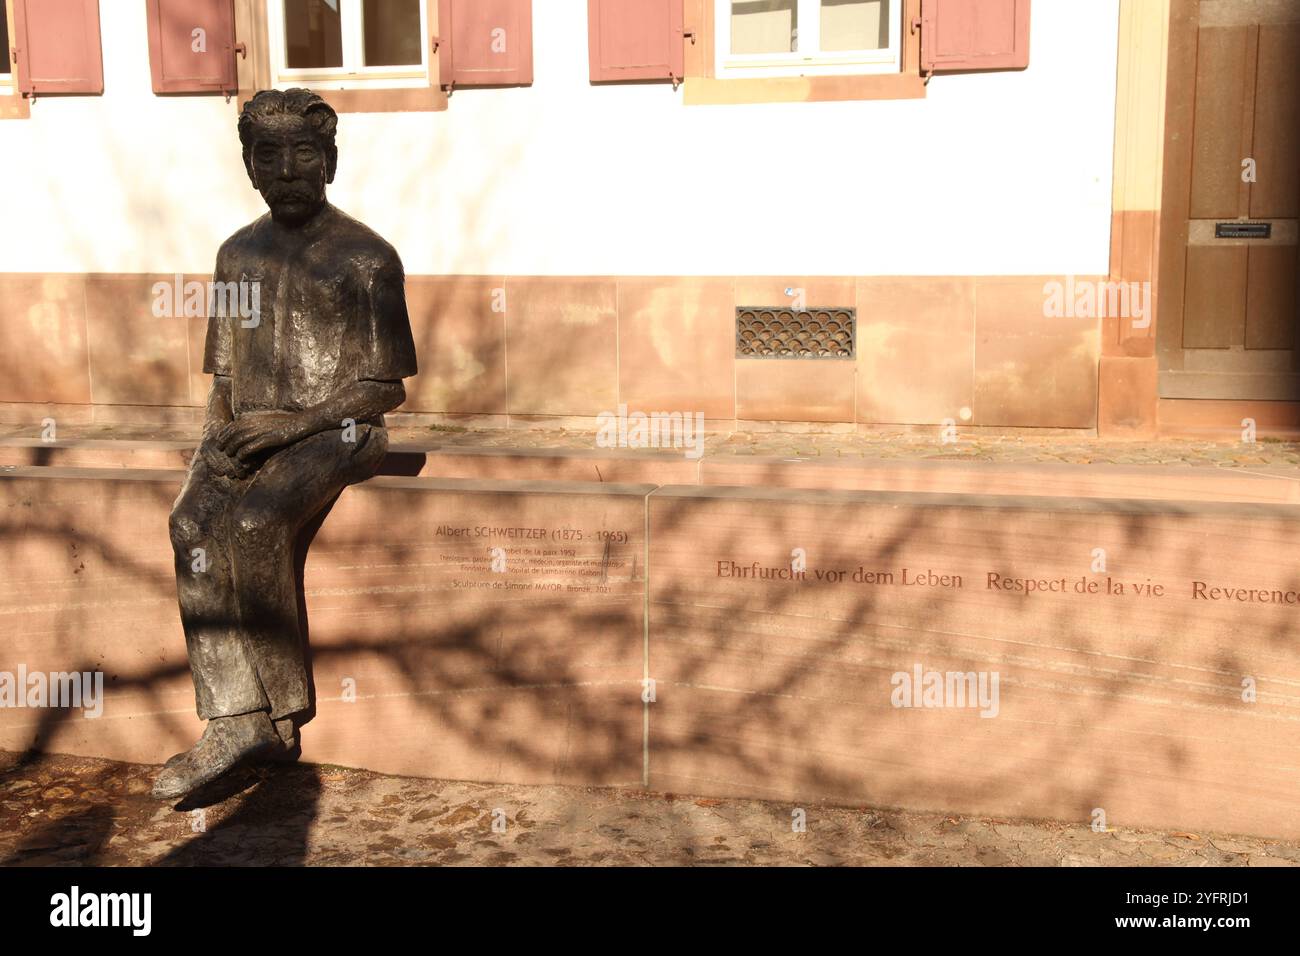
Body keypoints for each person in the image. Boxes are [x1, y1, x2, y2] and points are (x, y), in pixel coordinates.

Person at [153, 89, 418, 800]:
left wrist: (290, 426)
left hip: (342, 428)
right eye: (268, 155)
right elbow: (226, 377)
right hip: (250, 431)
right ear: (248, 166)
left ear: (329, 161)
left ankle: (276, 712)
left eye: (304, 153)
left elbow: (383, 389)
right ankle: (233, 715)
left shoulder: (368, 258)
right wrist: (212, 442)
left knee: (253, 520)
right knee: (188, 523)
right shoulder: (236, 255)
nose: (288, 169)